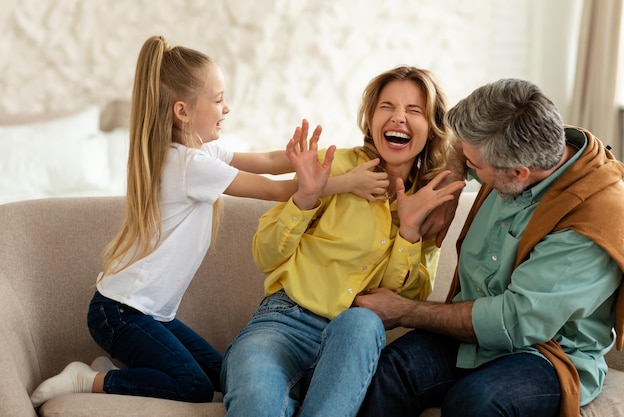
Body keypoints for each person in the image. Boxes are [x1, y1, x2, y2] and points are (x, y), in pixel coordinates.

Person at [28, 35, 386, 408]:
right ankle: (89, 380)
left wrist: (316, 156)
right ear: (182, 112)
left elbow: (266, 160)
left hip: (149, 314)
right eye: (218, 100)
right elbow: (272, 189)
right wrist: (346, 182)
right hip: (120, 312)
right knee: (193, 387)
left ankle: (112, 370)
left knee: (225, 373)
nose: (226, 108)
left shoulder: (202, 151)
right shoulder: (189, 165)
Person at [354, 78, 624, 417]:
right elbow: (459, 141)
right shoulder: (526, 135)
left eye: (474, 167)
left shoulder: (594, 218)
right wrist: (453, 181)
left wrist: (404, 310)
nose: (470, 171)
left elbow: (513, 321)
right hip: (472, 336)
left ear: (519, 172)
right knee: (390, 371)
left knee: (476, 401)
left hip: (546, 352)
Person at [220, 66, 466, 417]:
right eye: (387, 107)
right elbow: (265, 255)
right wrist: (304, 198)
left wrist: (409, 232)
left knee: (362, 321)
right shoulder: (333, 168)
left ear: (431, 129)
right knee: (255, 404)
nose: (398, 118)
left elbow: (405, 304)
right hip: (283, 323)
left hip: (353, 343)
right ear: (370, 117)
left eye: (414, 111)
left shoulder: (430, 199)